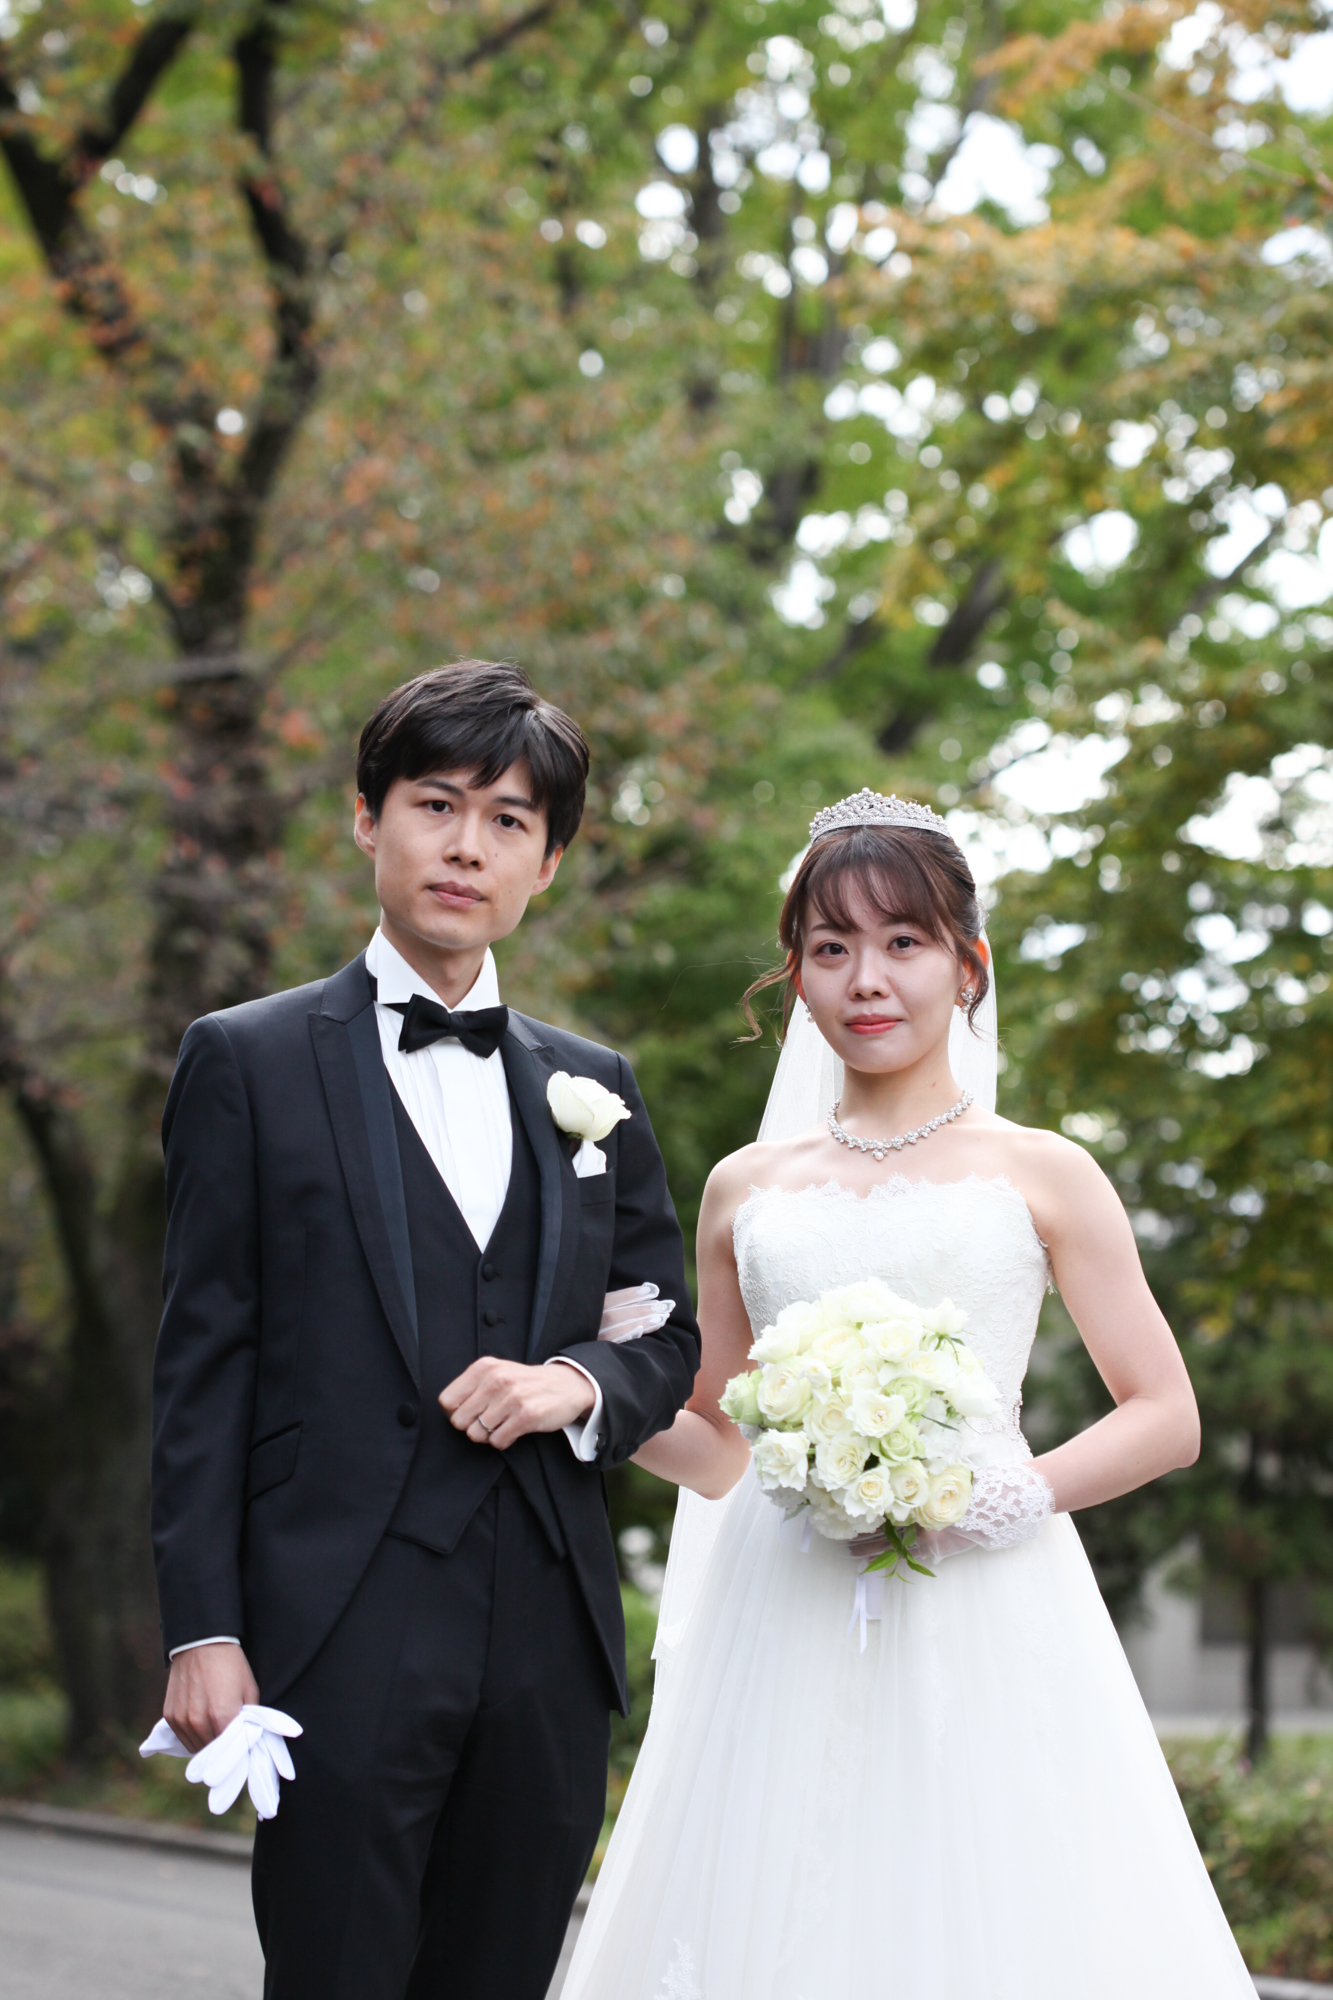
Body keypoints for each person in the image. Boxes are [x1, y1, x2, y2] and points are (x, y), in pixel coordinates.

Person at [562, 789, 1256, 2000]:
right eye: (831, 947)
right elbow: (719, 1444)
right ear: (796, 975)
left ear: (966, 964)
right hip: (782, 1601)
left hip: (985, 1597)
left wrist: (989, 1500)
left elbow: (1164, 1412)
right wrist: (592, 1390)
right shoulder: (742, 1184)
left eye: (902, 941)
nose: (866, 979)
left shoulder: (1044, 1169)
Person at [151, 661, 700, 2000]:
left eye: (510, 821)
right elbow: (202, 1365)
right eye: (436, 804)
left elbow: (664, 1335)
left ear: (547, 863)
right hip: (334, 1617)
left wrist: (577, 1380)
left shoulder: (595, 1086)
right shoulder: (247, 1058)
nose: (467, 846)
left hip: (548, 1628)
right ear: (367, 818)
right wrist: (200, 1626)